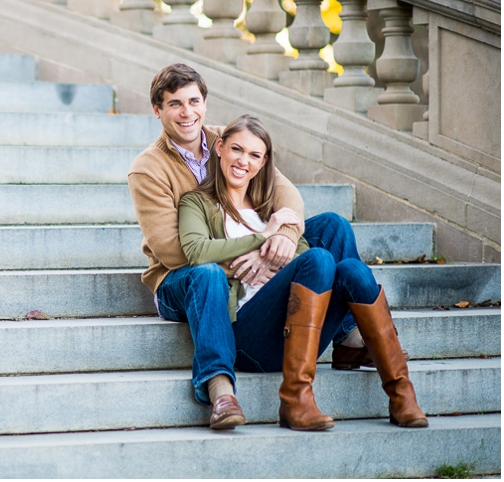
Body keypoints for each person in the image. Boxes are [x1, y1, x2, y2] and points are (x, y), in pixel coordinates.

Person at [127, 63, 404, 430]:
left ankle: (350, 337)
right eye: (174, 104)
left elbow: (287, 196)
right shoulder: (148, 168)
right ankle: (219, 389)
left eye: (193, 101)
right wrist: (254, 255)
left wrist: (282, 240)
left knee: (333, 228)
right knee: (207, 273)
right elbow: (172, 250)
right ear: (157, 110)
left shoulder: (226, 140)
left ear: (205, 104)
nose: (186, 112)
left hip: (245, 255)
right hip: (180, 278)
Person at [177, 113, 427, 430]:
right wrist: (264, 238)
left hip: (300, 333)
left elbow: (303, 251)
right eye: (237, 149)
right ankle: (295, 401)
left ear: (264, 162)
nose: (243, 161)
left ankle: (401, 395)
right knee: (321, 260)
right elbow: (197, 252)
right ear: (220, 148)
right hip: (250, 337)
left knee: (352, 270)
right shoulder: (196, 202)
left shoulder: (269, 206)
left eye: (255, 155)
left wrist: (269, 260)